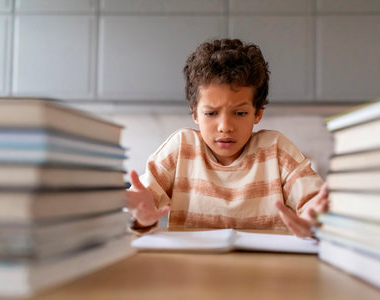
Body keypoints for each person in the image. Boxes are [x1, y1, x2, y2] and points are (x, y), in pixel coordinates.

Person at [126, 38, 328, 237]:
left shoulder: (276, 150)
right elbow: (143, 204)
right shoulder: (181, 148)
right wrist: (140, 216)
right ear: (195, 114)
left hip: (265, 268)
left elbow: (314, 202)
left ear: (258, 113)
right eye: (211, 113)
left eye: (240, 113)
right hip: (192, 267)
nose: (225, 127)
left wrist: (316, 220)